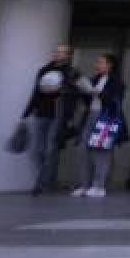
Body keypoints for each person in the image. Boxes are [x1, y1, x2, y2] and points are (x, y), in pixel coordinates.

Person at [22, 44, 81, 194]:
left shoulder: (72, 73)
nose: (59, 54)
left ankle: (42, 184)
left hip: (58, 114)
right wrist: (27, 112)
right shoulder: (44, 70)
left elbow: (76, 95)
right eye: (57, 52)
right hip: (41, 112)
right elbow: (36, 91)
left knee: (51, 149)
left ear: (68, 56)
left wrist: (69, 113)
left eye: (63, 52)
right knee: (36, 150)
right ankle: (49, 181)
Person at [71, 53, 127, 198]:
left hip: (106, 118)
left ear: (110, 65)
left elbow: (112, 99)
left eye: (101, 62)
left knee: (101, 151)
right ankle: (84, 185)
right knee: (82, 149)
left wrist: (96, 92)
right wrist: (83, 89)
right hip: (90, 115)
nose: (97, 65)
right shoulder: (94, 79)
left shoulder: (116, 82)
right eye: (98, 62)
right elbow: (87, 99)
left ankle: (99, 186)